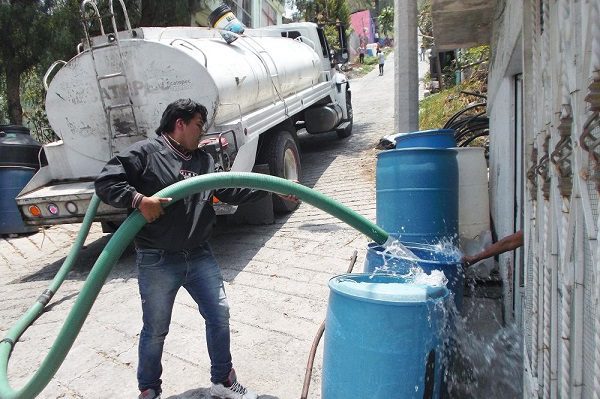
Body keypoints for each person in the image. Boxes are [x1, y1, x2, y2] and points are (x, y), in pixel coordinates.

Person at [95, 98, 284, 399]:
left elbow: (228, 189)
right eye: (198, 126)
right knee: (155, 330)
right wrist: (138, 200)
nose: (202, 132)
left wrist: (275, 188)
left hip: (199, 254)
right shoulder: (145, 154)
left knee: (219, 314)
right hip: (157, 259)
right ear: (179, 124)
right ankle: (149, 390)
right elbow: (105, 182)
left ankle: (222, 379)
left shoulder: (203, 161)